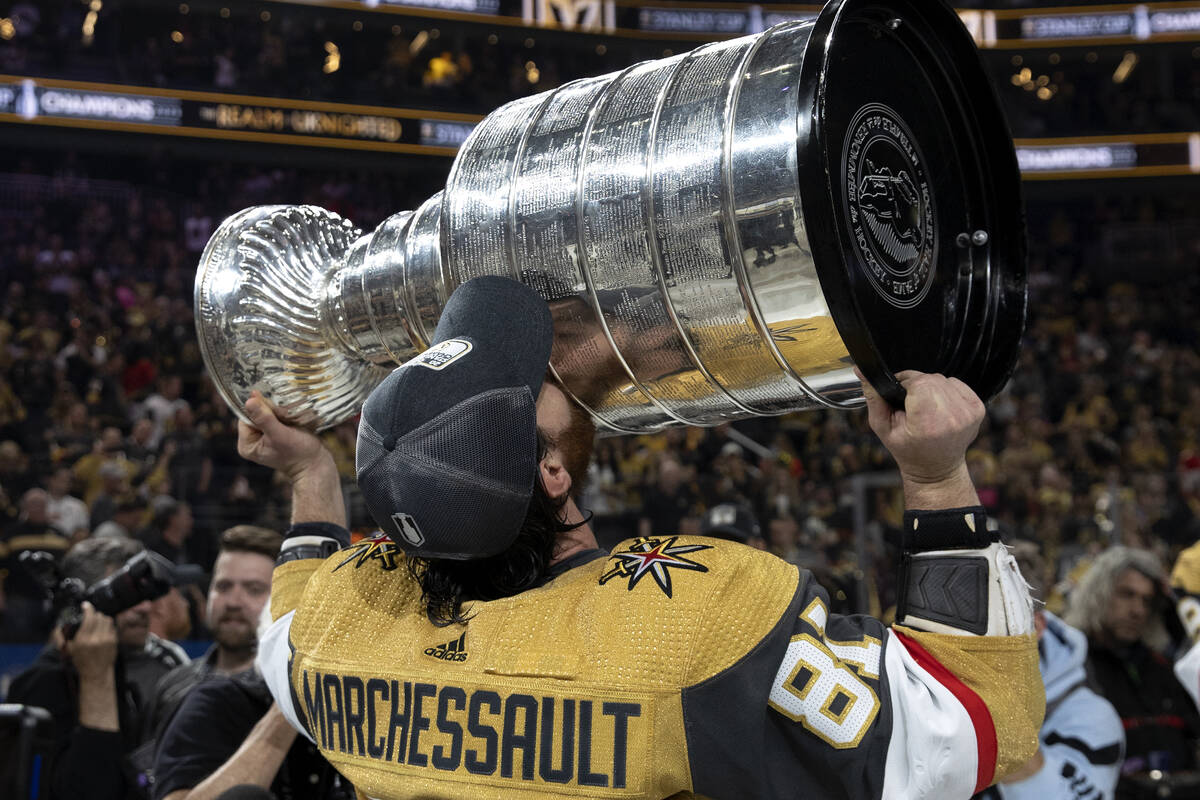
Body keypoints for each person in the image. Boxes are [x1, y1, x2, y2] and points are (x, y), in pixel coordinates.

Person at [243, 277, 1041, 799]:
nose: (556, 367)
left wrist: (309, 478)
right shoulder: (685, 624)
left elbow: (284, 627)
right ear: (551, 473)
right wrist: (938, 483)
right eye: (540, 384)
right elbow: (966, 723)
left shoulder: (340, 630)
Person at [147, 525, 352, 800]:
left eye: (254, 589)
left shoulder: (325, 694)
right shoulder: (173, 684)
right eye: (223, 586)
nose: (233, 601)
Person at [6, 537, 189, 800]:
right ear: (82, 604)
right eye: (128, 596)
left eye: (145, 595)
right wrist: (96, 679)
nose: (145, 607)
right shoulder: (42, 682)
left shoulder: (120, 668)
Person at [976, 541, 1124, 799]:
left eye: (997, 618)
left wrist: (996, 708)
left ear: (1036, 626)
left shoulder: (1090, 716)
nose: (975, 637)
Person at [1064, 547, 1200, 792]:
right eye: (1127, 595)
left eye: (1147, 601)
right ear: (1100, 593)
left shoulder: (1165, 669)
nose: (1138, 610)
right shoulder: (1071, 667)